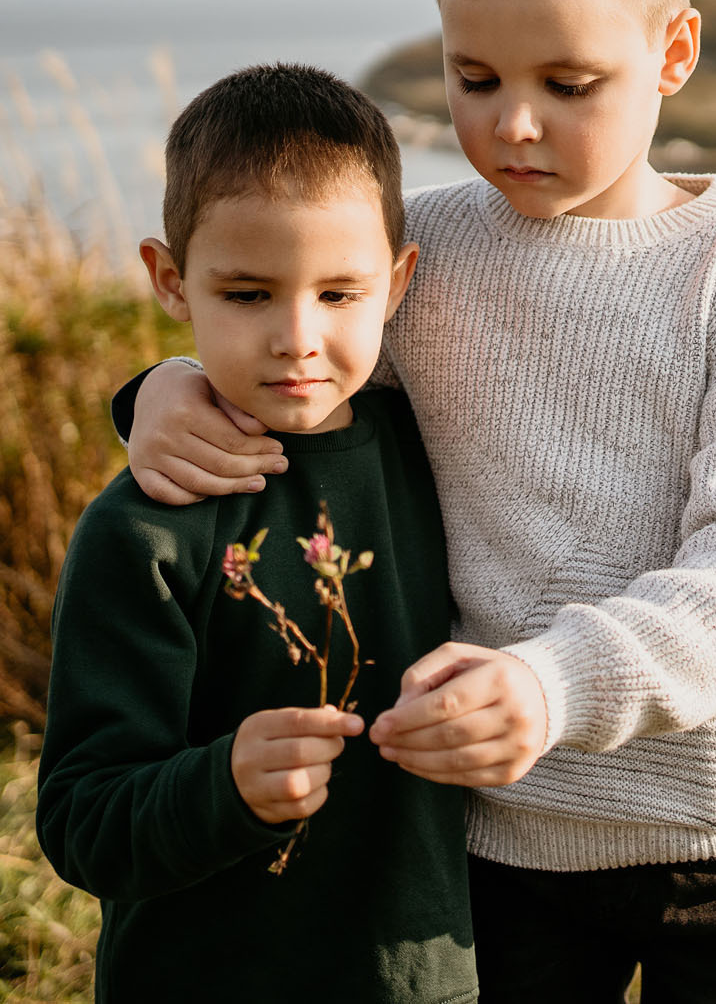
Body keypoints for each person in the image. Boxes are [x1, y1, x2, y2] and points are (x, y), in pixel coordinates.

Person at [116, 0, 716, 1002]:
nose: (511, 124)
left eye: (568, 84)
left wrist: (554, 687)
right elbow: (302, 374)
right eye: (473, 78)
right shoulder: (427, 255)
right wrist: (159, 390)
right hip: (499, 828)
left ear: (674, 51)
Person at [35, 64, 477, 1003]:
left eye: (339, 293)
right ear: (169, 279)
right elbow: (81, 819)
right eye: (245, 294)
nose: (296, 336)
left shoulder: (442, 447)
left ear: (398, 283)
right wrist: (222, 786)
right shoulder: (144, 529)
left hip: (419, 975)